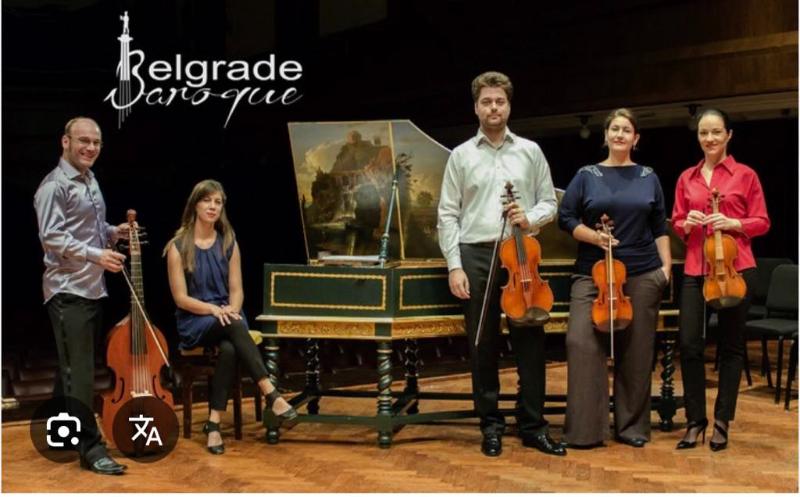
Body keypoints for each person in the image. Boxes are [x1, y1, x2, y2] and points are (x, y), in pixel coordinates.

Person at [437, 71, 565, 457]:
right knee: (483, 345)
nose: (494, 107)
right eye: (486, 102)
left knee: (530, 340)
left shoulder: (530, 151)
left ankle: (533, 425)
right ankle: (490, 425)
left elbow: (550, 202)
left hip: (521, 251)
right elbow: (448, 214)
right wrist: (454, 265)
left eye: (500, 101)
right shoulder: (461, 155)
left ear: (509, 106)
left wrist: (530, 217)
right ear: (476, 107)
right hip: (475, 254)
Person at [558, 108, 672, 449]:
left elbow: (659, 226)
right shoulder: (586, 175)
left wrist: (665, 269)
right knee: (581, 344)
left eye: (626, 130)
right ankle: (586, 431)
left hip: (642, 271)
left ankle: (632, 427)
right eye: (614, 129)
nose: (620, 134)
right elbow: (566, 217)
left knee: (636, 353)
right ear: (606, 135)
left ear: (636, 138)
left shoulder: (648, 176)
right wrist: (594, 237)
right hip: (592, 271)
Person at [165, 179, 298, 455]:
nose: (212, 206)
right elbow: (180, 298)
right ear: (195, 204)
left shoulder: (228, 242)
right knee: (234, 326)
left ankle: (213, 425)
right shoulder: (178, 247)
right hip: (196, 318)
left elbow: (237, 290)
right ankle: (270, 392)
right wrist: (214, 310)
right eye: (207, 200)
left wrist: (231, 309)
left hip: (228, 315)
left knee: (228, 348)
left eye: (218, 202)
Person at [34, 117, 130, 475]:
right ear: (65, 142)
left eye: (96, 142)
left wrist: (113, 232)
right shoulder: (53, 186)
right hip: (67, 289)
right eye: (83, 141)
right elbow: (53, 238)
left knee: (71, 367)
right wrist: (96, 255)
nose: (90, 148)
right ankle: (91, 449)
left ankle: (61, 433)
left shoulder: (90, 179)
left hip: (91, 287)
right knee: (81, 373)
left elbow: (88, 227)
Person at [671, 108, 769, 451]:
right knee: (689, 345)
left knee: (731, 347)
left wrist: (735, 223)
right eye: (703, 133)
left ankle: (722, 420)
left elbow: (762, 221)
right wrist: (686, 224)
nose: (709, 139)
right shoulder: (687, 177)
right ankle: (695, 420)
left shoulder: (746, 175)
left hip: (736, 269)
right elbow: (677, 222)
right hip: (696, 269)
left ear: (729, 135)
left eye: (715, 132)